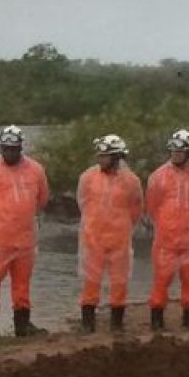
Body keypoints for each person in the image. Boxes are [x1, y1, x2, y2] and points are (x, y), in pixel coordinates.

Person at [0, 126, 50, 339]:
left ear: (20, 148)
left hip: (25, 239)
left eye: (14, 149)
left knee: (22, 284)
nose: (10, 152)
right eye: (6, 148)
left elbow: (42, 199)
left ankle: (22, 325)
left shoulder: (36, 170)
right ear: (1, 147)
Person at [146, 129, 189, 330]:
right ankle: (156, 322)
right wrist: (166, 226)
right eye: (173, 151)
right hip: (166, 240)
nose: (175, 155)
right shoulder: (159, 176)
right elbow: (152, 205)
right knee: (161, 281)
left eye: (179, 152)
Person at [77, 134, 143, 332]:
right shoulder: (88, 177)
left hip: (119, 240)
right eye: (100, 156)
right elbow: (82, 202)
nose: (101, 159)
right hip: (93, 238)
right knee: (91, 281)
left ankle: (117, 323)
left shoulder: (131, 181)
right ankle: (87, 324)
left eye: (105, 156)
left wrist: (122, 227)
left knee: (119, 282)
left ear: (117, 157)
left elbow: (137, 209)